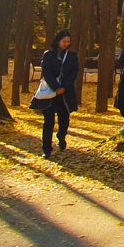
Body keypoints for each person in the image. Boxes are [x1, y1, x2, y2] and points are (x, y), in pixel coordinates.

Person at [30, 30, 79, 159]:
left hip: (66, 92)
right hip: (50, 92)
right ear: (58, 41)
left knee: (64, 118)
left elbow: (74, 73)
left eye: (68, 42)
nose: (66, 44)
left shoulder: (72, 56)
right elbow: (46, 72)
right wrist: (56, 87)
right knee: (48, 121)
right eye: (64, 41)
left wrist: (64, 87)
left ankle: (61, 136)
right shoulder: (48, 55)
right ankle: (46, 148)